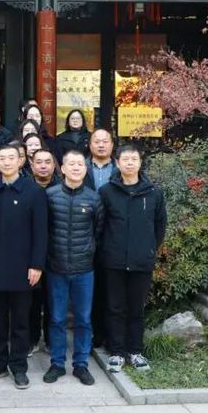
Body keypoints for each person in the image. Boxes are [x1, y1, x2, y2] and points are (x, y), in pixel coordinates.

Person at [0, 144, 47, 389]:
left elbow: (41, 232)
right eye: (2, 158)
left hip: (23, 267)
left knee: (21, 321)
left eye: (11, 158)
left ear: (20, 161)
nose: (7, 162)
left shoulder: (34, 192)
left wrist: (36, 265)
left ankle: (18, 366)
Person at [99, 144, 167, 373]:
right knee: (115, 307)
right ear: (117, 163)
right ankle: (117, 352)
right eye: (125, 159)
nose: (129, 163)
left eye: (134, 159)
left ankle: (136, 351)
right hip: (114, 260)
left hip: (141, 261)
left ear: (140, 163)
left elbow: (160, 226)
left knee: (136, 308)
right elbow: (100, 225)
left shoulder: (154, 193)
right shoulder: (107, 192)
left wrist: (149, 248)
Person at [44, 150, 104, 385]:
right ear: (63, 168)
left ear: (85, 169)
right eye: (72, 164)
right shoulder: (50, 195)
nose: (76, 167)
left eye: (80, 164)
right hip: (56, 267)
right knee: (57, 318)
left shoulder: (93, 198)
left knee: (83, 319)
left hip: (84, 269)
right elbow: (45, 230)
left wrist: (88, 252)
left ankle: (81, 364)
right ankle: (57, 364)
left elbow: (98, 231)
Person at [85, 128, 116, 348]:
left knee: (110, 288)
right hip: (86, 233)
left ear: (112, 145)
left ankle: (110, 334)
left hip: (113, 233)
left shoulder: (120, 169)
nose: (101, 145)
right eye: (97, 141)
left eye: (105, 141)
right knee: (92, 289)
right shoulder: (81, 167)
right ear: (90, 145)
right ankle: (95, 334)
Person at [27, 147, 59, 354]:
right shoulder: (26, 188)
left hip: (56, 253)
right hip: (30, 253)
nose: (43, 166)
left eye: (48, 162)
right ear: (31, 165)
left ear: (54, 165)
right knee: (31, 301)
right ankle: (31, 340)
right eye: (39, 162)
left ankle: (50, 340)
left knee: (52, 301)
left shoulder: (62, 188)